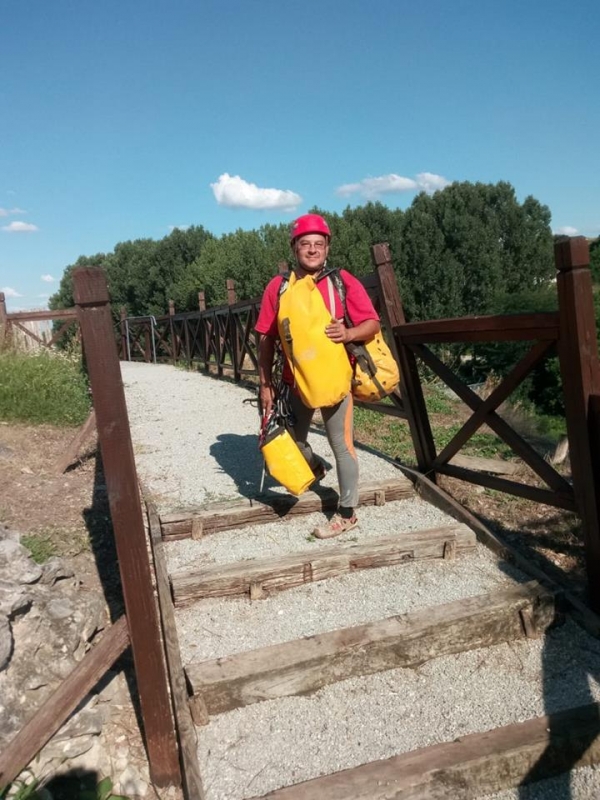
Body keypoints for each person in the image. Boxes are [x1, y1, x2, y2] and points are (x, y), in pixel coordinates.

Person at [255, 213, 381, 539]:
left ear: (327, 248)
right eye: (305, 244)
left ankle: (347, 513)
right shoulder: (278, 287)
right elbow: (265, 337)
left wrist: (349, 333)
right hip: (294, 383)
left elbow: (372, 323)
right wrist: (265, 384)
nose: (312, 250)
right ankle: (316, 467)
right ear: (294, 248)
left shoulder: (341, 281)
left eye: (318, 244)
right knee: (293, 445)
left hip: (336, 381)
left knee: (342, 446)